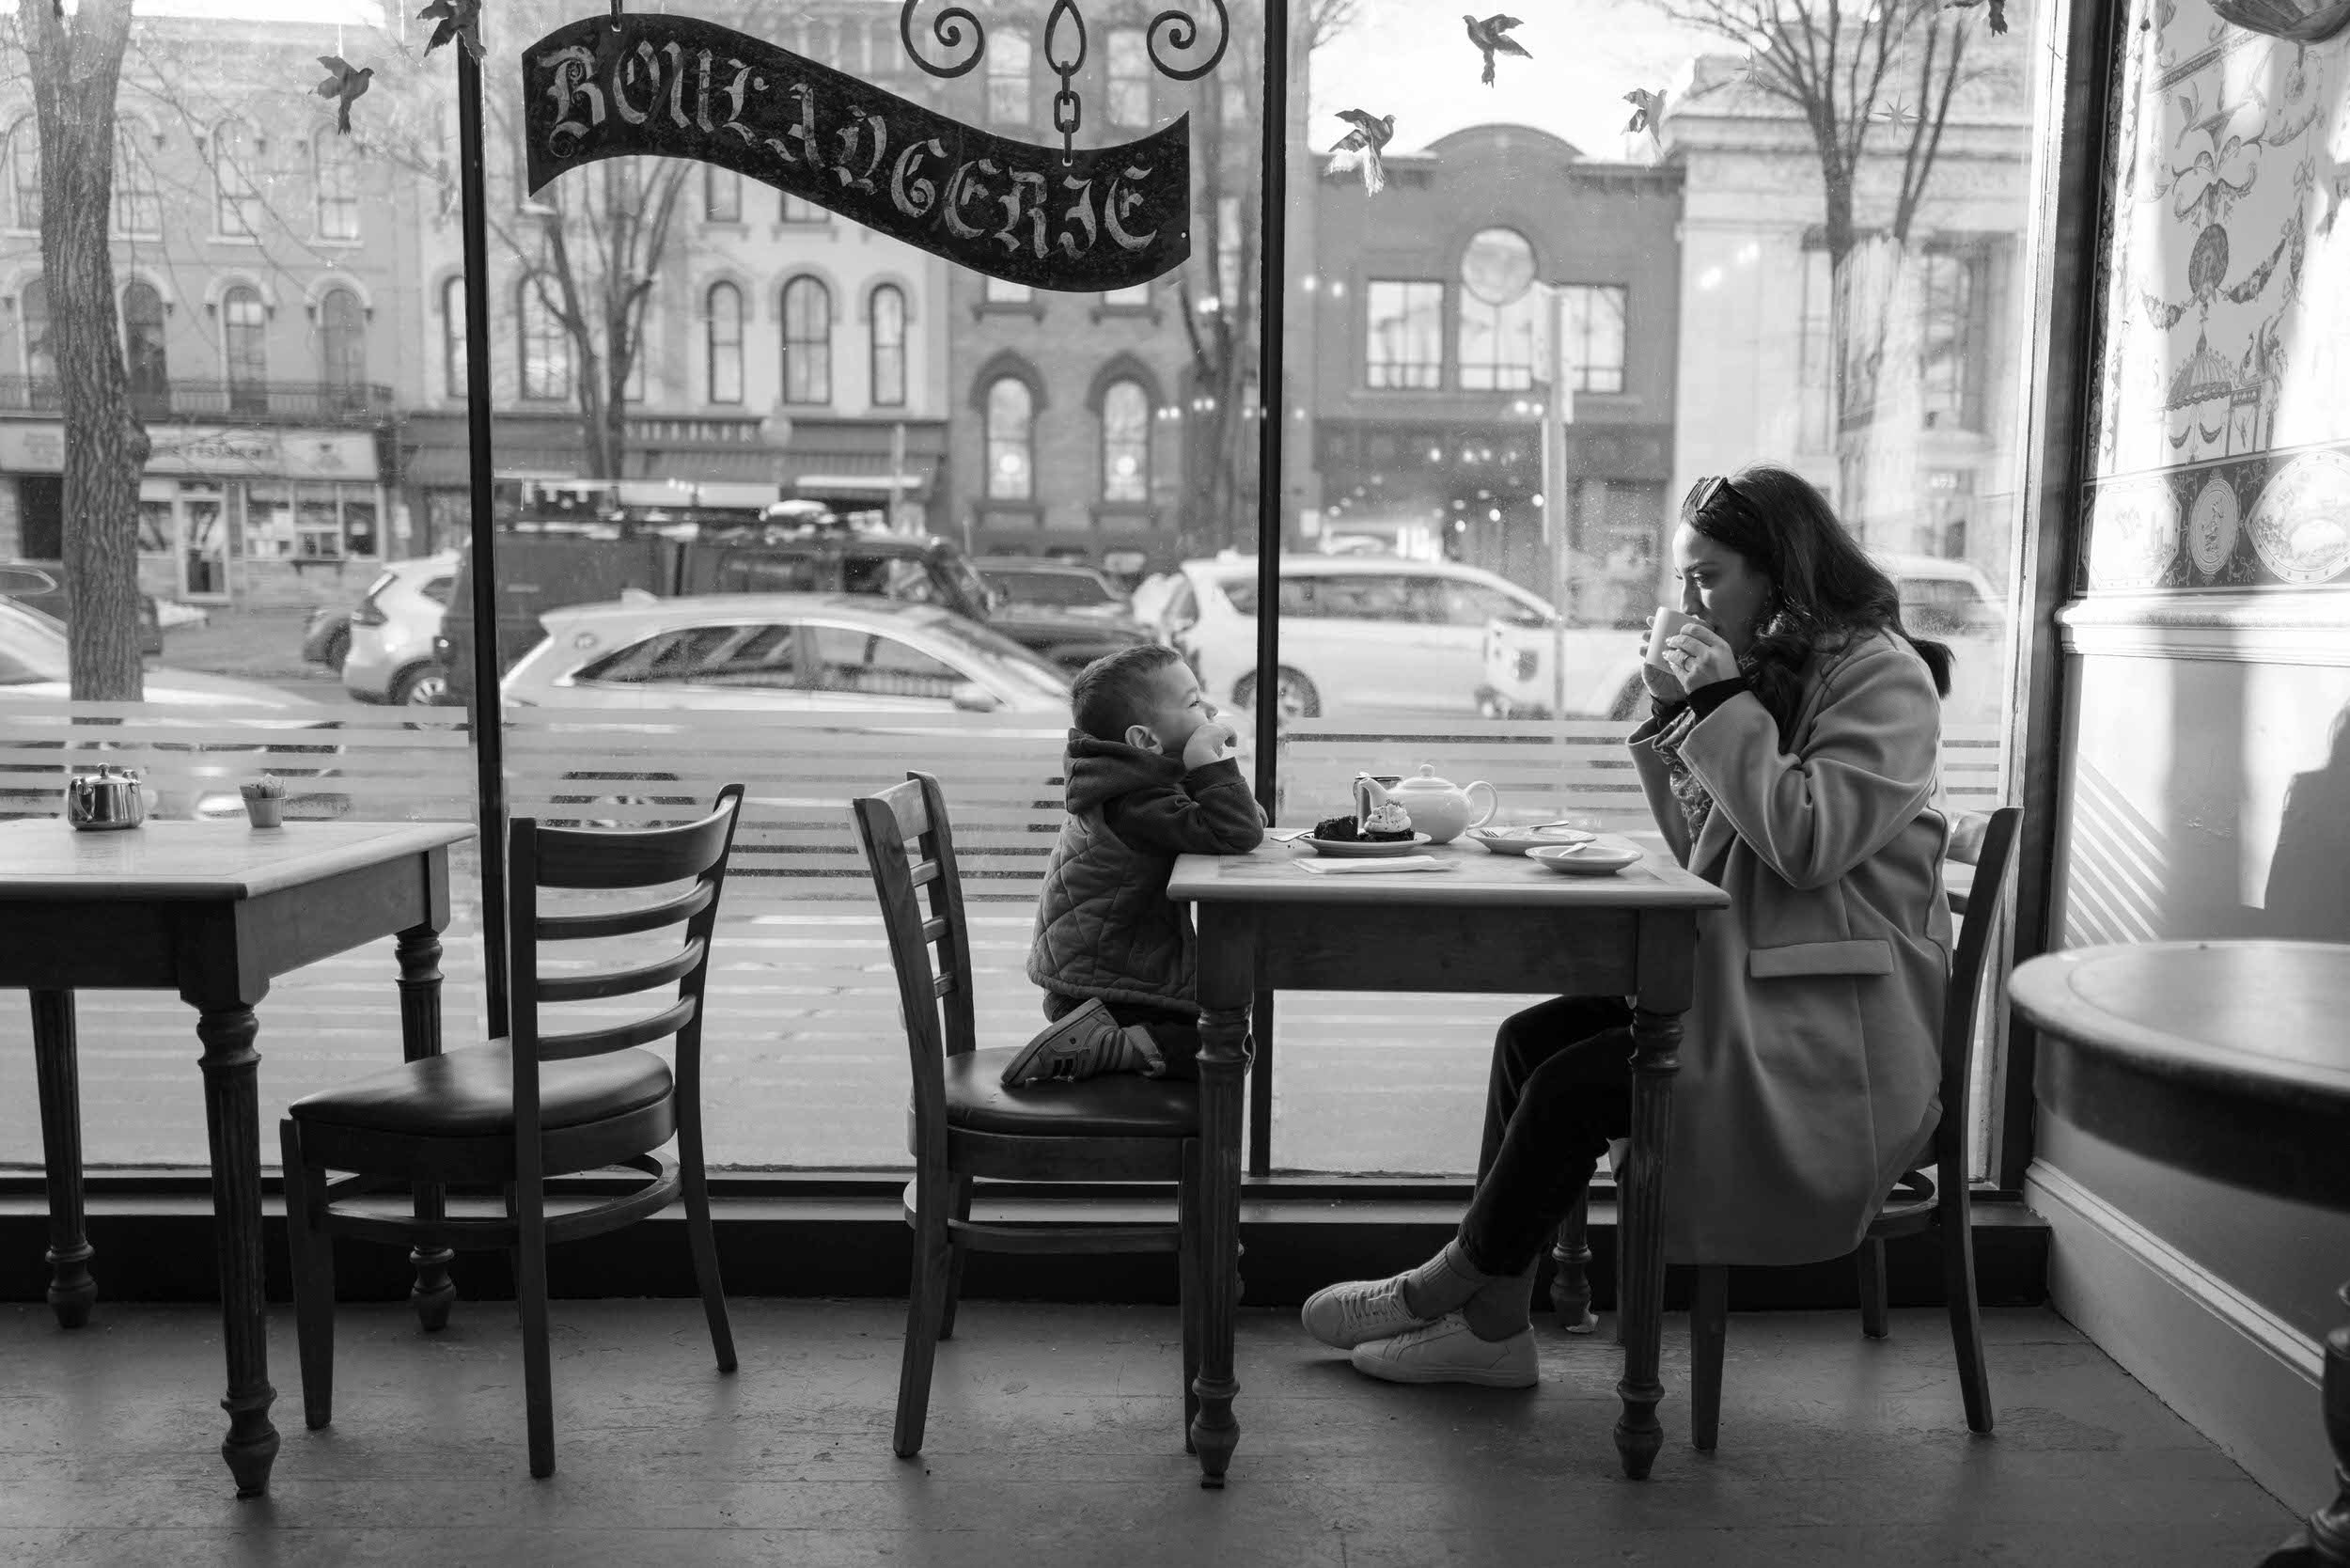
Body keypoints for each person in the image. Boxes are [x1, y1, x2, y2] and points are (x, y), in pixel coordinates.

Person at [1299, 463, 1959, 1387]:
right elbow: (1703, 851)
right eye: (1686, 576)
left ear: (1781, 571)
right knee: (1530, 1042)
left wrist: (1721, 705)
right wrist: (1676, 712)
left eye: (1709, 573)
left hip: (1832, 1030)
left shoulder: (1882, 680)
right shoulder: (1781, 675)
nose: (1690, 597)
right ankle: (1492, 1325)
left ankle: (1453, 1288)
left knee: (1573, 1087)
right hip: (1758, 989)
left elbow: (1806, 844)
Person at [1005, 644, 1267, 1087]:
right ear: (1144, 740)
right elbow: (1239, 834)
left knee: (1226, 1033)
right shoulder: (1135, 802)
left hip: (1104, 972)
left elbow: (1247, 822)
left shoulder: (1135, 778)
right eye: (1193, 703)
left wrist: (1206, 774)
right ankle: (1099, 1046)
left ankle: (1104, 1046)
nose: (1210, 710)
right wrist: (1210, 764)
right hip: (1099, 993)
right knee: (1226, 1044)